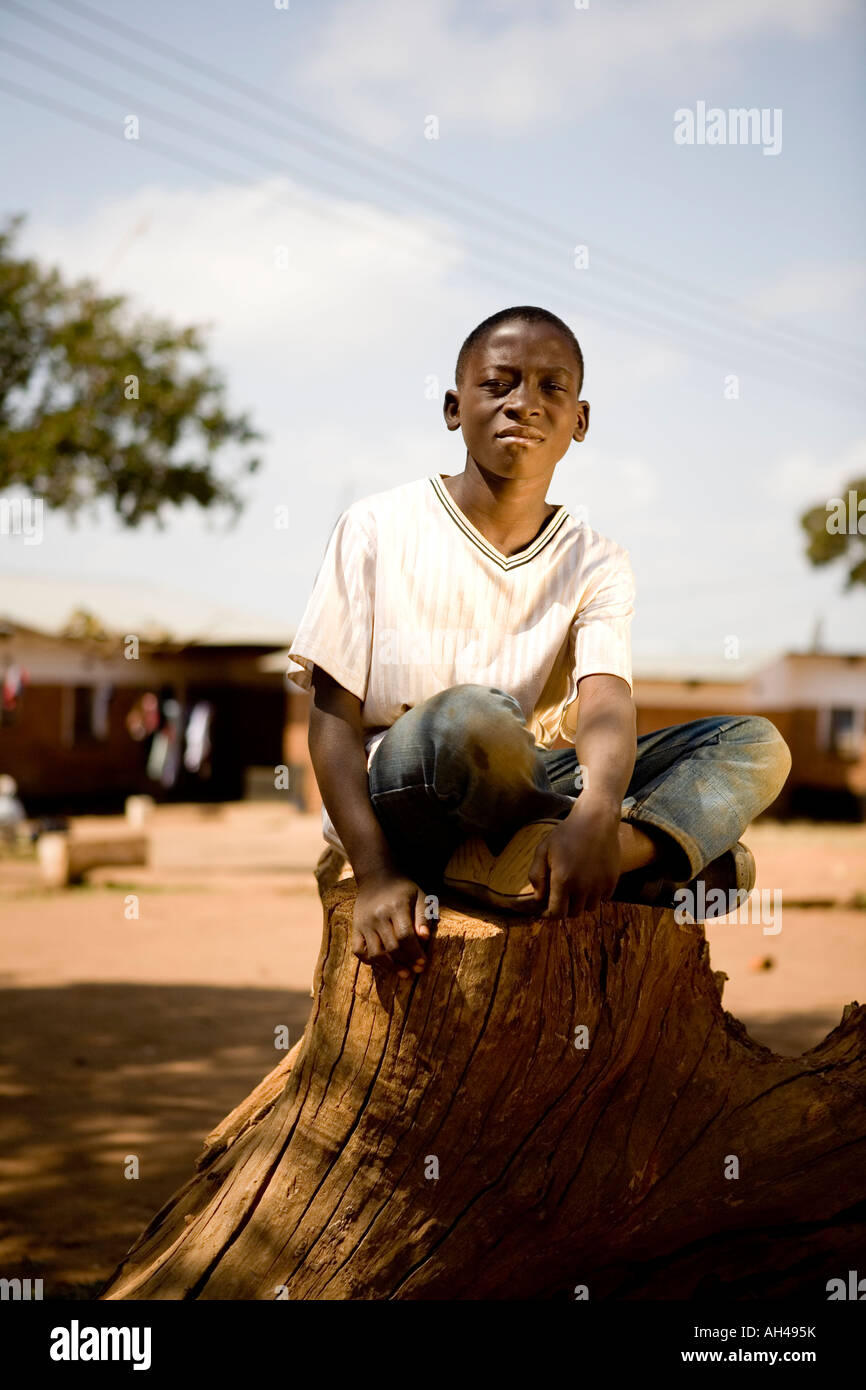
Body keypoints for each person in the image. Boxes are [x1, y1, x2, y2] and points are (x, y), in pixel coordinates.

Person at [287, 306, 791, 979]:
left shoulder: (597, 560)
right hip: (407, 786)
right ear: (452, 407)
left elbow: (606, 703)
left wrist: (598, 814)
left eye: (551, 388)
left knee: (755, 744)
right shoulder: (376, 526)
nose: (523, 403)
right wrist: (375, 872)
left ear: (579, 422)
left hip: (529, 782)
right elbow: (330, 718)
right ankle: (647, 853)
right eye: (498, 384)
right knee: (466, 719)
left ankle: (557, 857)